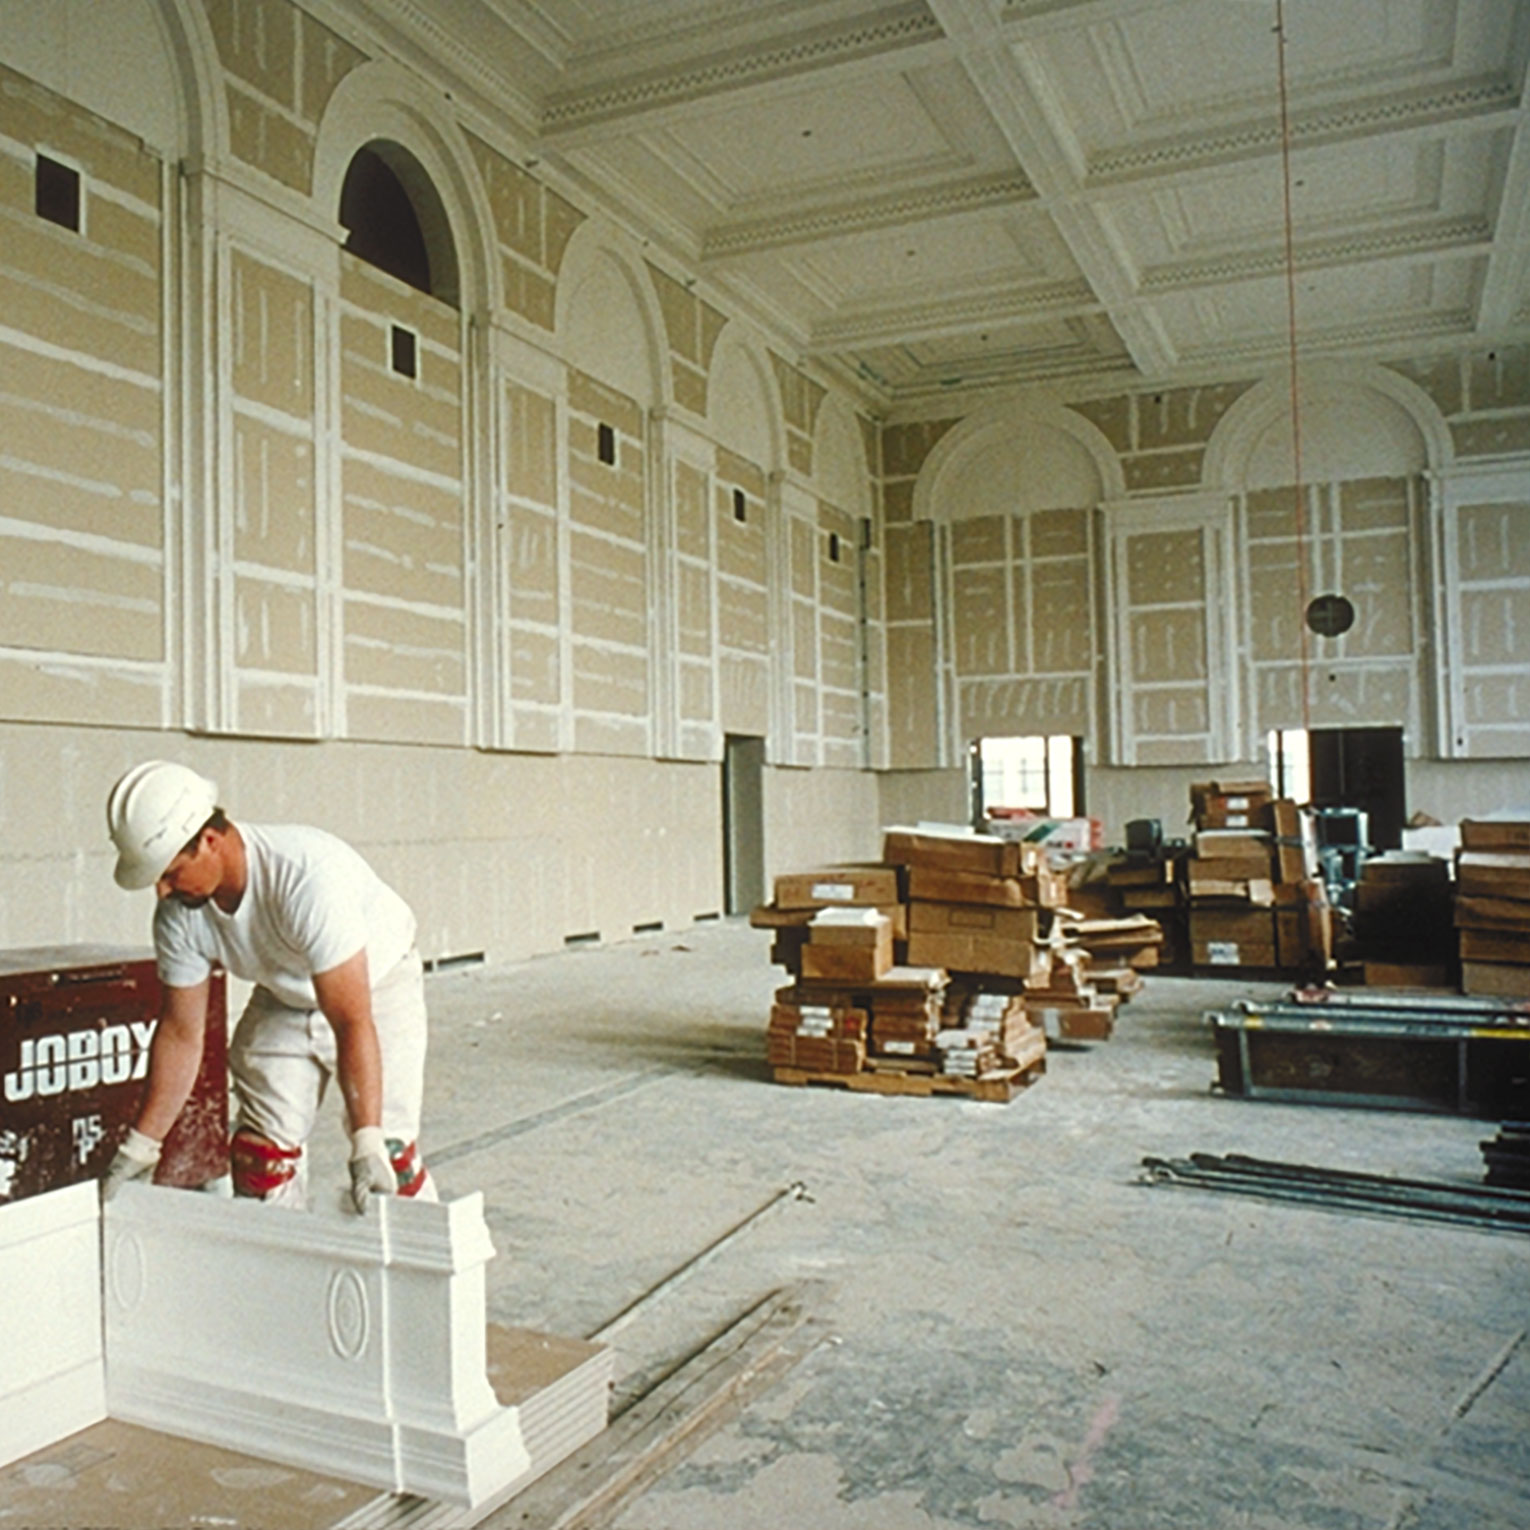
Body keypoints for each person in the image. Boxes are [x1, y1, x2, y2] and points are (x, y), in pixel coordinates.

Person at [100, 759, 434, 1213]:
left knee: (389, 1166)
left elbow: (352, 1021)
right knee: (259, 1161)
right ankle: (285, 1272)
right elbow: (181, 1033)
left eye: (170, 872)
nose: (162, 891)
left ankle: (428, 1273)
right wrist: (142, 1146)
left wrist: (367, 1139)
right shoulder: (180, 914)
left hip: (376, 989)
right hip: (284, 993)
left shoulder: (307, 877)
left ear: (210, 841)